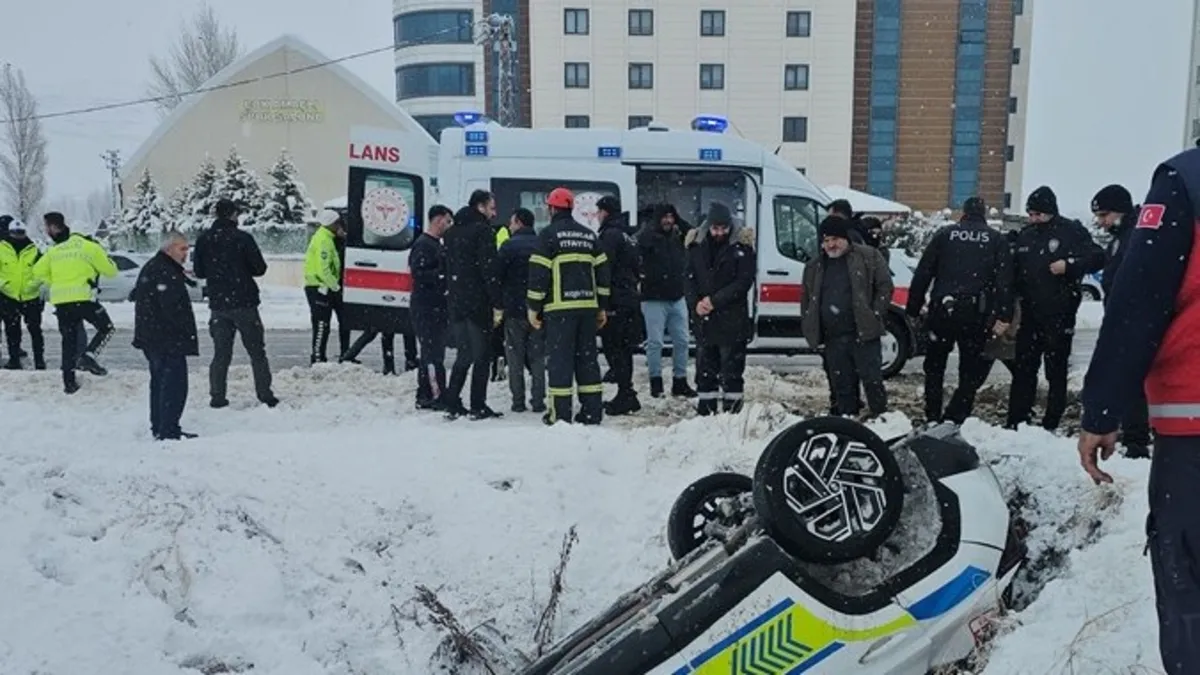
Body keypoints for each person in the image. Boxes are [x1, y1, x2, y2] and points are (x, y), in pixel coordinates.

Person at [1077, 149, 1200, 675]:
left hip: (1193, 425)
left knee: (1188, 581)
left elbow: (1139, 299)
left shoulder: (1187, 181)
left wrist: (1102, 410)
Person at [906, 197, 1013, 425]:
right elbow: (1005, 281)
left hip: (942, 309)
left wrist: (913, 308)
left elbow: (924, 272)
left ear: (963, 213)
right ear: (983, 214)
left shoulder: (945, 235)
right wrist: (1004, 315)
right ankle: (957, 416)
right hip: (976, 313)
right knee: (970, 368)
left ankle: (932, 414)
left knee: (935, 367)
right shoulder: (995, 239)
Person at [1005, 186, 1104, 430]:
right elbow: (1014, 272)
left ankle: (1052, 420)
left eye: (1038, 214)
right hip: (1030, 314)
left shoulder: (1071, 232)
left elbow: (1097, 257)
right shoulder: (1026, 236)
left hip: (1060, 314)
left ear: (1050, 212)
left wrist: (1069, 266)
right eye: (1031, 214)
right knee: (1024, 369)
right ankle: (1017, 418)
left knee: (1056, 370)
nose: (1034, 219)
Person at [527, 187, 611, 425]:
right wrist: (601, 306)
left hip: (559, 311)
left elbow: (538, 276)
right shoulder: (589, 235)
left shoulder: (547, 236)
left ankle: (560, 415)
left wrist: (534, 307)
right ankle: (592, 412)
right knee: (587, 361)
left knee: (560, 362)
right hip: (587, 311)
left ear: (551, 208)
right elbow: (603, 273)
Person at [801, 216, 893, 419]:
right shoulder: (814, 267)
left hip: (863, 334)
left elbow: (885, 287)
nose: (830, 245)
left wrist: (874, 314)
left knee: (872, 381)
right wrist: (810, 326)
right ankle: (847, 421)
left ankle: (882, 422)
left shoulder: (868, 257)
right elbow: (807, 300)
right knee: (842, 385)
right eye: (825, 241)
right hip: (833, 337)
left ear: (846, 238)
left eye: (835, 239)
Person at [193, 198, 279, 408]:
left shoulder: (204, 239)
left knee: (221, 353)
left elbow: (199, 271)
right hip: (244, 302)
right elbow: (260, 268)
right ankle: (265, 394)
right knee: (257, 352)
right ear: (233, 214)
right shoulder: (243, 238)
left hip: (218, 305)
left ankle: (217, 396)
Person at [1088, 184, 1150, 458]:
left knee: (1134, 381)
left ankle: (1137, 441)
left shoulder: (1137, 236)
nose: (1101, 223)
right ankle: (1132, 432)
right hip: (1122, 317)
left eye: (1104, 215)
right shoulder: (1119, 238)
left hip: (1136, 321)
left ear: (1121, 210)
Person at [31, 212, 117, 394]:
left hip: (62, 302)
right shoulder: (90, 247)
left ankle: (68, 382)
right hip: (84, 299)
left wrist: (54, 281)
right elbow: (110, 271)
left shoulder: (55, 250)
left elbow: (37, 271)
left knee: (68, 342)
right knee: (106, 327)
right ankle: (88, 355)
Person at [685, 203, 756, 415]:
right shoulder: (696, 246)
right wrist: (696, 303)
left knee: (731, 371)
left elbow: (743, 282)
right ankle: (705, 412)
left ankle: (732, 413)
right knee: (705, 372)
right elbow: (688, 278)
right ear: (708, 226)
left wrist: (714, 301)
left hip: (732, 320)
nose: (719, 233)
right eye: (715, 229)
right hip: (704, 321)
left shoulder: (742, 248)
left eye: (723, 229)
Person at [133, 232, 199, 440]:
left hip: (155, 337)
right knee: (173, 384)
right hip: (165, 339)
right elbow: (170, 308)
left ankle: (161, 426)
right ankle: (168, 429)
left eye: (187, 249)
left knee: (160, 382)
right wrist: (180, 334)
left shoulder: (159, 268)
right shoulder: (164, 272)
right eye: (182, 249)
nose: (186, 253)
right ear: (168, 249)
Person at [442, 189, 502, 419]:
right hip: (478, 303)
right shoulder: (483, 232)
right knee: (482, 356)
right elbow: (489, 270)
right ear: (480, 207)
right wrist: (497, 301)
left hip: (457, 302)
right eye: (491, 208)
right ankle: (478, 404)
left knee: (464, 354)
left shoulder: (451, 233)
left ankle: (452, 400)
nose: (494, 213)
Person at [637, 204, 696, 399]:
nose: (668, 221)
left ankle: (680, 381)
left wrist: (679, 220)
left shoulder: (677, 237)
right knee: (655, 343)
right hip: (653, 299)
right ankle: (656, 382)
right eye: (665, 217)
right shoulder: (647, 237)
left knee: (682, 340)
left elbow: (693, 233)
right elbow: (641, 247)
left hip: (677, 297)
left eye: (671, 217)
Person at [491, 207, 545, 413]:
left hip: (514, 310)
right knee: (538, 357)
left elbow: (497, 275)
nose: (510, 226)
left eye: (512, 223)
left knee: (515, 358)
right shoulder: (542, 244)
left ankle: (518, 401)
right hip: (537, 308)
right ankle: (538, 400)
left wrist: (500, 303)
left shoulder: (508, 246)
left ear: (520, 223)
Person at [596, 195, 642, 415]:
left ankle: (626, 394)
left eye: (598, 212)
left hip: (617, 301)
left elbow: (604, 268)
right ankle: (627, 392)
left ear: (605, 212)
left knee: (615, 348)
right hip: (630, 298)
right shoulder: (627, 235)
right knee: (624, 349)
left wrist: (602, 302)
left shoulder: (610, 236)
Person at [411, 205, 453, 410]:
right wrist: (441, 275)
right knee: (431, 354)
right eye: (447, 221)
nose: (449, 225)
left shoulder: (437, 244)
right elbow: (419, 274)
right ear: (438, 220)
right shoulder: (423, 245)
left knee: (435, 352)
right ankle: (434, 395)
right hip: (426, 307)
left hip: (437, 307)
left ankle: (427, 392)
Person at [0, 219, 45, 369]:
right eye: (15, 233)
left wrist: (34, 285)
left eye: (21, 233)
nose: (18, 236)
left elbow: (42, 272)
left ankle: (39, 360)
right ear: (9, 233)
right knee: (12, 331)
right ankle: (14, 360)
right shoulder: (1, 249)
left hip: (30, 296)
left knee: (35, 330)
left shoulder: (34, 250)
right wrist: (3, 285)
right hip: (9, 296)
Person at [303, 209, 346, 364]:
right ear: (332, 224)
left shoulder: (325, 237)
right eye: (338, 223)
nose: (340, 226)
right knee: (321, 325)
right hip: (318, 287)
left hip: (320, 286)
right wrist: (335, 287)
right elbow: (324, 269)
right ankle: (317, 358)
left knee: (323, 324)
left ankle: (319, 356)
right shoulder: (323, 240)